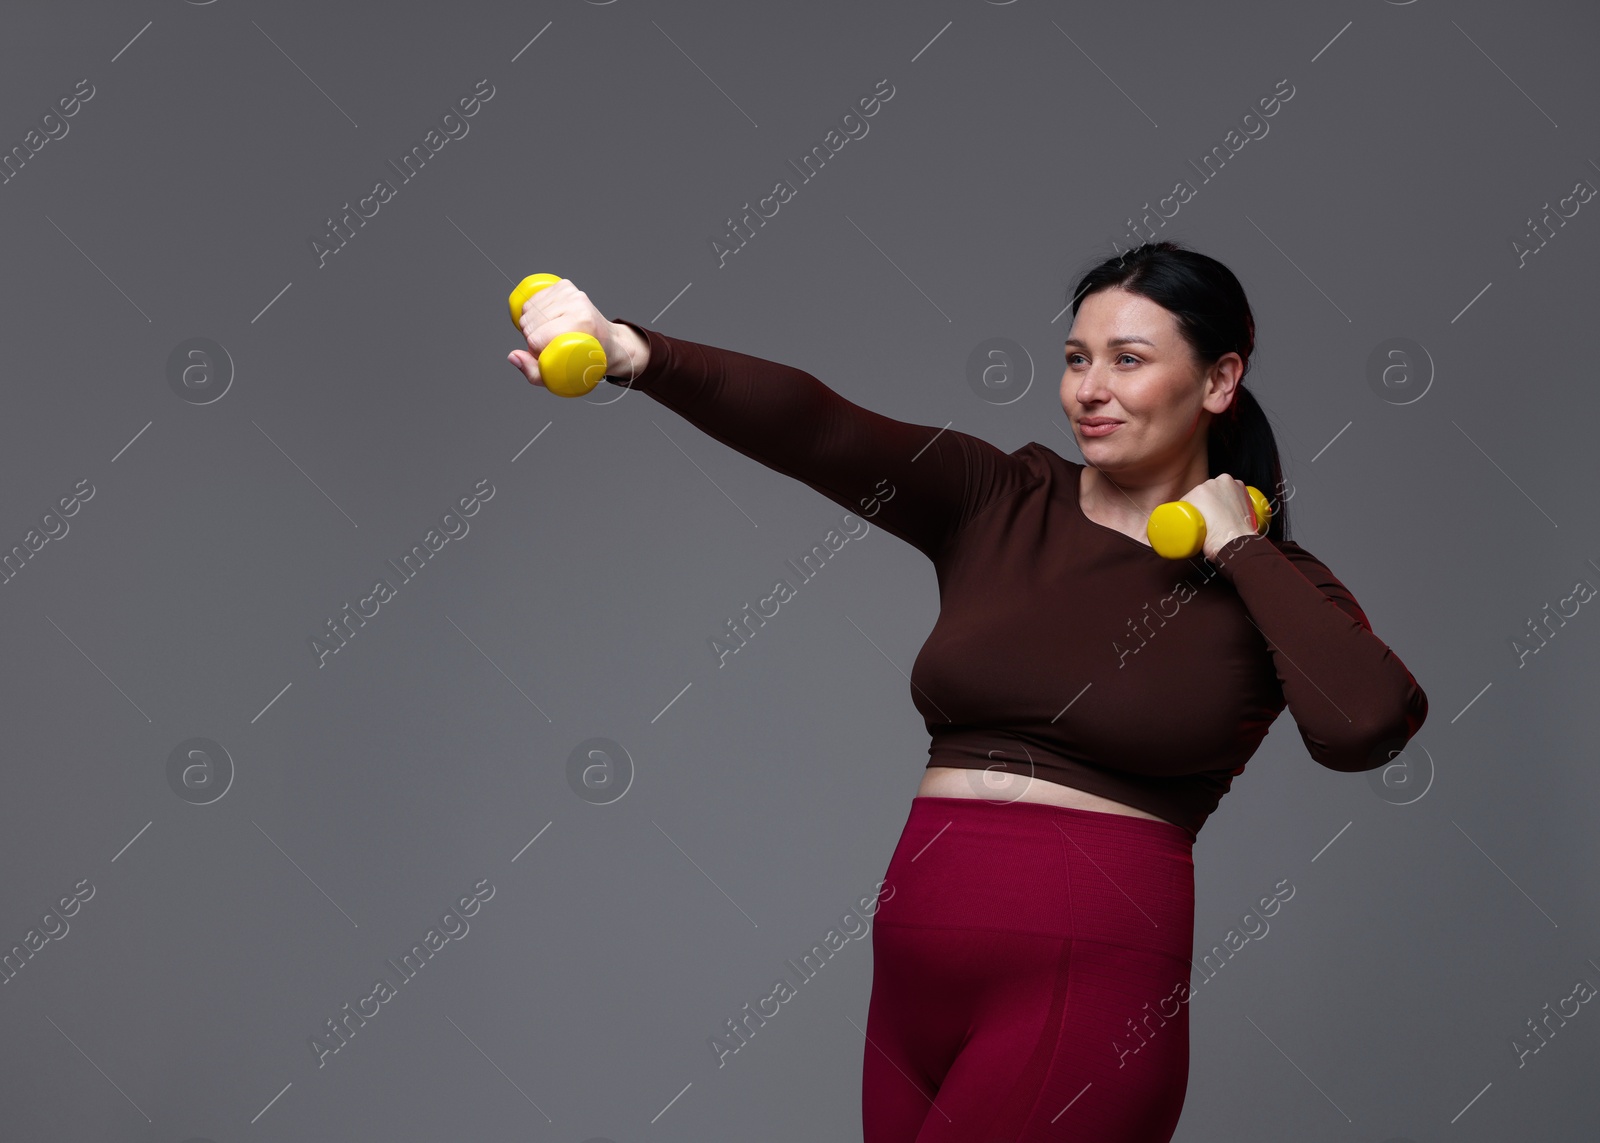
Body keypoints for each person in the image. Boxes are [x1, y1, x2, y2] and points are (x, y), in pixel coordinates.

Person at [506, 241, 1428, 1142]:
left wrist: (1239, 547)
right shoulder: (1002, 497)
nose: (1089, 389)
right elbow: (822, 427)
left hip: (1083, 987)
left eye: (1128, 359)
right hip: (912, 986)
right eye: (1076, 359)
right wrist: (633, 352)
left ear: (1220, 381)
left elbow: (1369, 723)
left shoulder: (1270, 582)